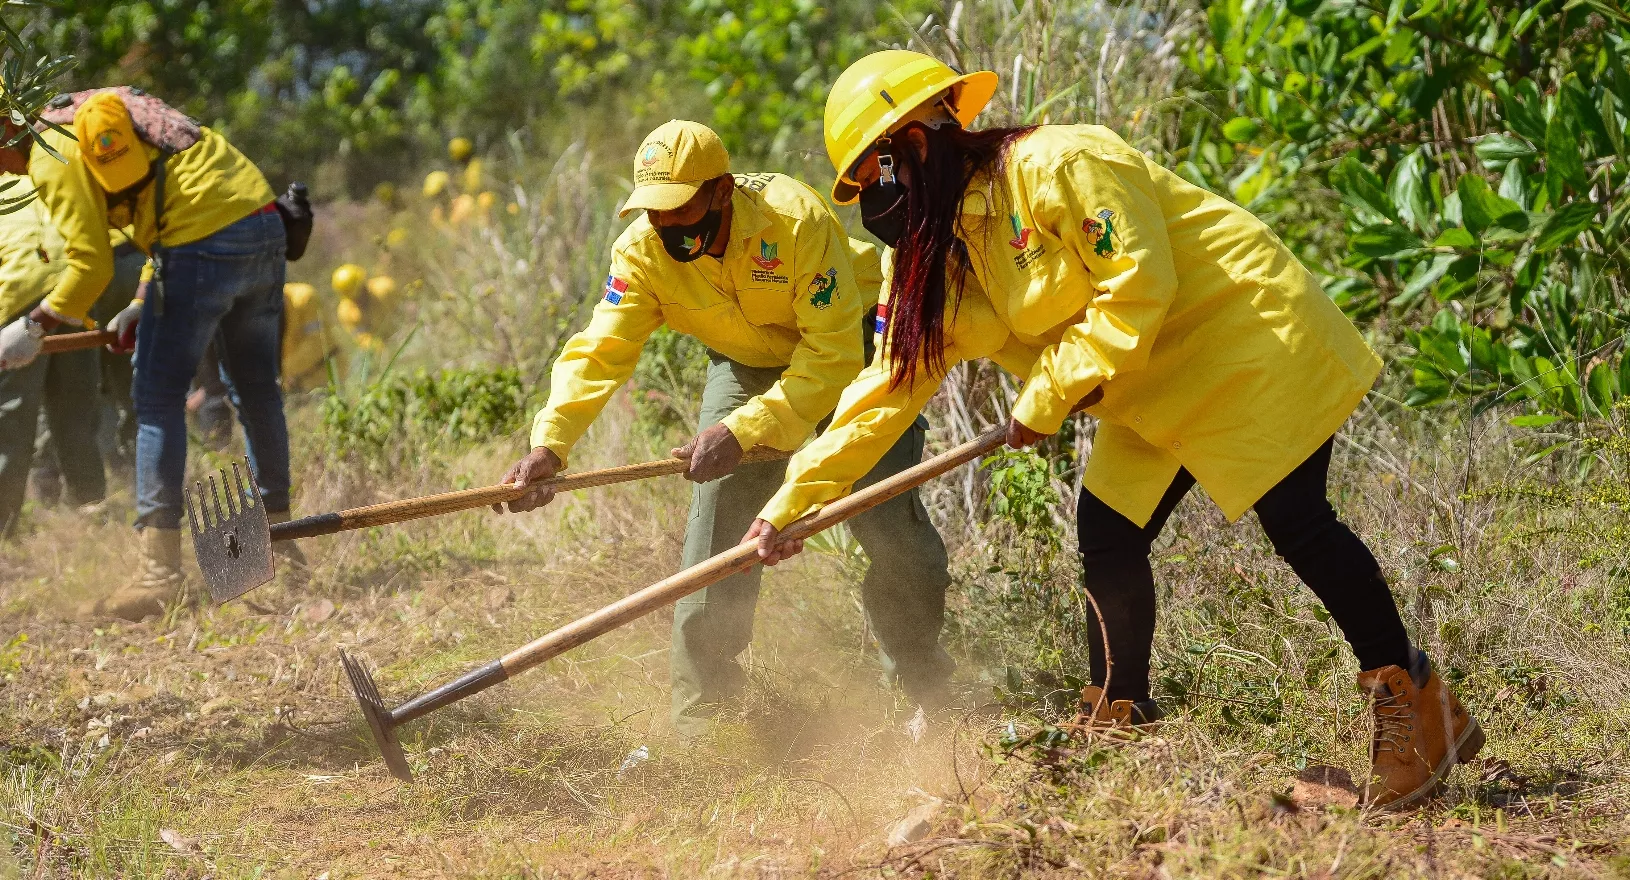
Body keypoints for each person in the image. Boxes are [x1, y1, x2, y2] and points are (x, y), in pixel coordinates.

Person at [746, 50, 1482, 809]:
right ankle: (1121, 716)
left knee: (1297, 522)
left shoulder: (1061, 165)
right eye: (862, 190)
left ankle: (1413, 700)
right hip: (1141, 384)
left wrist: (1045, 397)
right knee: (1108, 529)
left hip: (1241, 338)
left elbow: (1140, 285)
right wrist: (790, 505)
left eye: (874, 176)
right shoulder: (929, 255)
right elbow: (882, 391)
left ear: (917, 142)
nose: (873, 202)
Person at [497, 120, 953, 737]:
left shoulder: (792, 219)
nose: (668, 226)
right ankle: (703, 722)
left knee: (889, 523)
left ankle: (924, 693)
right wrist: (549, 443)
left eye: (680, 207)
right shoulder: (642, 251)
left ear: (719, 189)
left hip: (850, 351)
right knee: (714, 544)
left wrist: (744, 432)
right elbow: (600, 350)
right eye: (655, 212)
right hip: (746, 367)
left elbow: (833, 355)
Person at [0, 88, 293, 620]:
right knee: (255, 389)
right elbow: (161, 205)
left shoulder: (51, 152)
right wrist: (140, 302)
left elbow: (90, 265)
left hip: (199, 240)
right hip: (262, 216)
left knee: (156, 397)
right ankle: (283, 542)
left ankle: (158, 573)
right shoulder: (81, 122)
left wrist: (33, 327)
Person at [0, 181, 143, 532]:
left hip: (21, 295)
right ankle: (90, 506)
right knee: (77, 409)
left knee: (12, 417)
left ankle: (3, 524)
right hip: (73, 293)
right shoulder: (36, 171)